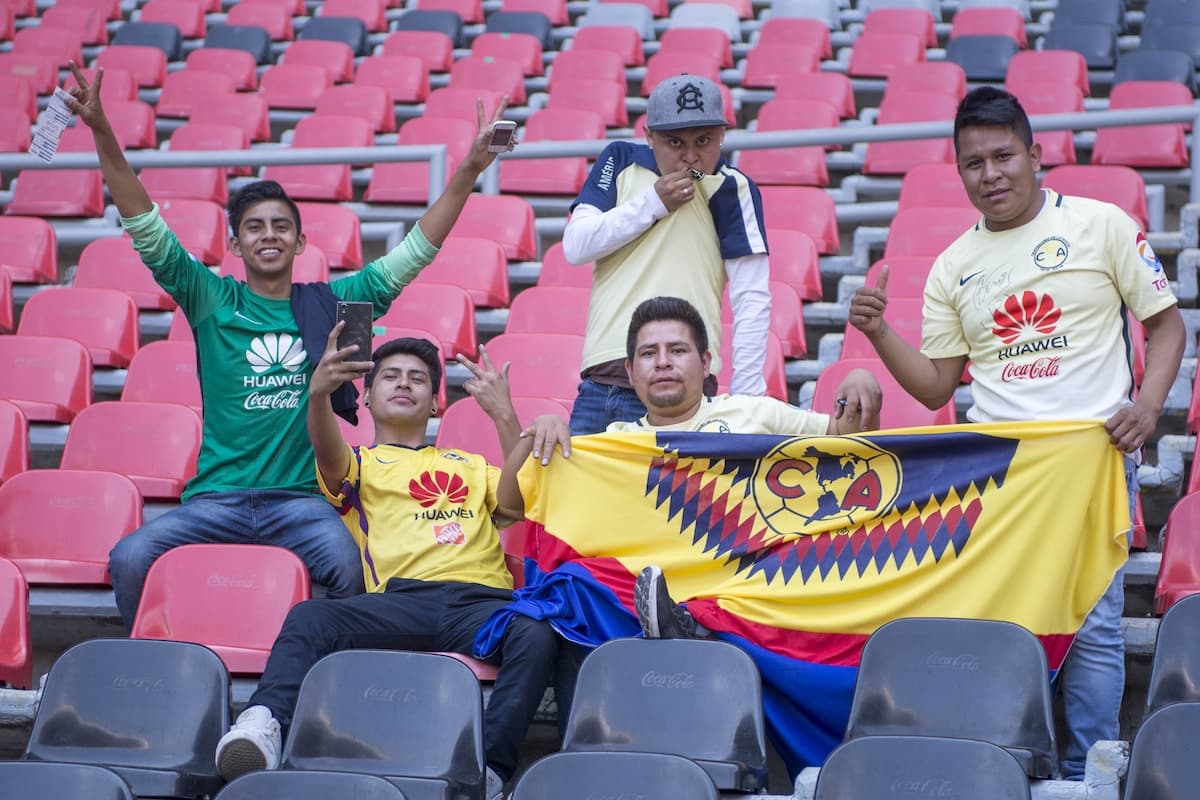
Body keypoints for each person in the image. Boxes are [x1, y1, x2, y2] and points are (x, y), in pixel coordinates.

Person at [63, 61, 516, 628]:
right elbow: (143, 222)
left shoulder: (336, 304)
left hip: (303, 501)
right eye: (254, 226)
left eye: (281, 226)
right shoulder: (209, 298)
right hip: (216, 499)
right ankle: (154, 666)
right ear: (234, 243)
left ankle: (318, 677)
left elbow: (417, 249)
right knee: (130, 558)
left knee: (350, 567)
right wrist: (103, 129)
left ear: (301, 241)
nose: (269, 235)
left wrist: (471, 168)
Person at [846, 86, 1186, 779]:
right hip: (998, 469)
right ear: (960, 171)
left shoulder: (1103, 226)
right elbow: (939, 385)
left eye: (1004, 156)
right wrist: (879, 332)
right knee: (997, 620)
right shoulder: (951, 266)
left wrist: (1148, 408)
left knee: (1088, 625)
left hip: (1087, 458)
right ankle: (1007, 758)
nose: (991, 173)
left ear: (1037, 156)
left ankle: (1090, 768)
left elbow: (1167, 324)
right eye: (974, 163)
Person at [214, 331, 559, 800]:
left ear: (435, 403)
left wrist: (505, 413)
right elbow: (327, 453)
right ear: (368, 399)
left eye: (418, 378)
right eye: (391, 377)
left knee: (536, 632)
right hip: (399, 602)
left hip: (481, 605)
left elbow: (518, 502)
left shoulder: (472, 466)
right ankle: (263, 724)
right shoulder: (360, 464)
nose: (404, 384)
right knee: (310, 616)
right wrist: (317, 396)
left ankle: (489, 771)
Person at [496, 296, 883, 636]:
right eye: (649, 354)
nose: (663, 362)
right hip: (642, 599)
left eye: (677, 350)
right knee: (573, 586)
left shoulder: (755, 413)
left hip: (746, 588)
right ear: (630, 373)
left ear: (706, 362)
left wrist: (860, 380)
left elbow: (848, 445)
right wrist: (539, 432)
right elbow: (512, 503)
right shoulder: (611, 445)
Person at [561, 74, 771, 434]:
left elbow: (752, 297)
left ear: (722, 135)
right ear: (649, 137)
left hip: (685, 390)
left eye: (703, 140)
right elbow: (576, 245)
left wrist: (747, 401)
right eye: (675, 142)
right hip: (603, 380)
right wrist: (653, 203)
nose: (690, 156)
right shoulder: (620, 158)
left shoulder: (734, 188)